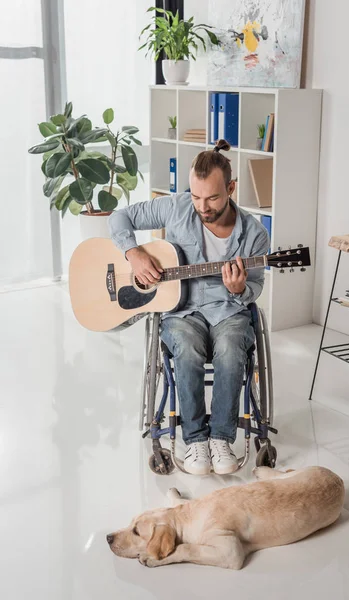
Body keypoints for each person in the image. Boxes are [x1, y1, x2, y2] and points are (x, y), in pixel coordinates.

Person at [108, 139, 270, 475]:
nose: (202, 205)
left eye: (212, 197)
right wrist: (134, 253)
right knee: (186, 347)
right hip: (182, 309)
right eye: (196, 196)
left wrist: (240, 289)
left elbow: (255, 286)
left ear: (231, 188)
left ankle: (220, 438)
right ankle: (195, 440)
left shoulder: (254, 234)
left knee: (230, 347)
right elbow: (119, 217)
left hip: (229, 310)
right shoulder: (176, 206)